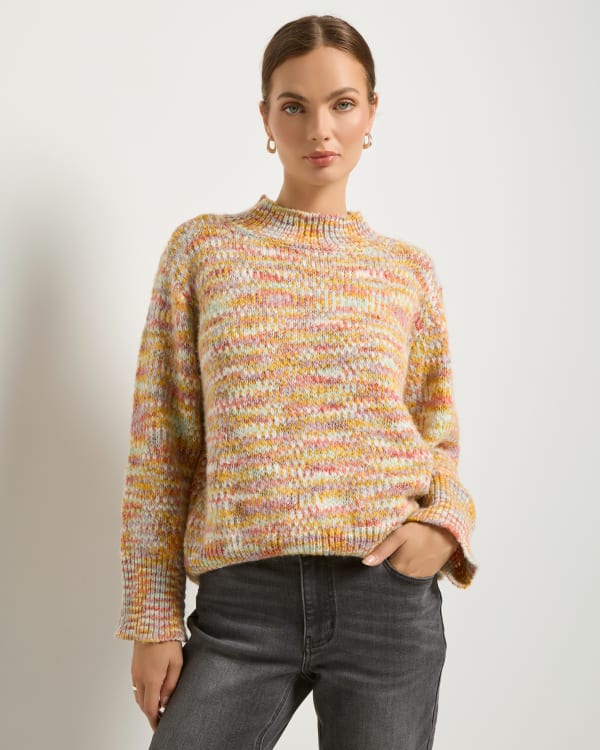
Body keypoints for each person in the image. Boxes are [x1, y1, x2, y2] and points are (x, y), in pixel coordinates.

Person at [115, 14, 478, 750]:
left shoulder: (407, 271)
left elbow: (435, 437)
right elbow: (162, 451)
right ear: (265, 118)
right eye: (294, 106)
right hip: (242, 603)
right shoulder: (204, 251)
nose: (320, 129)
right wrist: (153, 621)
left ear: (371, 112)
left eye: (342, 104)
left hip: (385, 598)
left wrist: (444, 527)